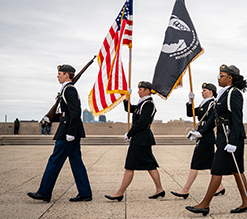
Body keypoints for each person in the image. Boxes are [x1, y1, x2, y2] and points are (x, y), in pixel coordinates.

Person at [185, 64, 247, 216]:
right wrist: (200, 133)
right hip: (223, 135)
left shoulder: (234, 94)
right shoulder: (222, 94)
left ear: (230, 78)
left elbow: (237, 118)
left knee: (216, 170)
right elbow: (214, 119)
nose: (218, 78)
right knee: (237, 171)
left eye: (221, 76)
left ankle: (204, 204)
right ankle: (246, 202)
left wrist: (234, 142)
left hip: (230, 137)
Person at [27, 64, 92, 202]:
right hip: (70, 130)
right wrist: (50, 117)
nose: (58, 76)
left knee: (54, 161)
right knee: (76, 163)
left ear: (67, 75)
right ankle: (85, 192)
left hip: (68, 132)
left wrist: (71, 132)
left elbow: (76, 113)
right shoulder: (67, 90)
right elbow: (66, 113)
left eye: (60, 73)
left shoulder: (69, 90)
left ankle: (44, 192)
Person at [105, 81, 165, 202]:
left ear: (148, 90)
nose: (138, 91)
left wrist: (130, 133)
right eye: (138, 89)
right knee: (150, 164)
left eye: (141, 89)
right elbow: (130, 110)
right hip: (141, 138)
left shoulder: (148, 104)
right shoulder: (141, 103)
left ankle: (119, 192)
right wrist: (126, 99)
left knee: (130, 165)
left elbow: (142, 122)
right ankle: (159, 189)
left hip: (141, 138)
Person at [170, 83, 225, 199]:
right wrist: (190, 102)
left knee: (195, 163)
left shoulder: (213, 104)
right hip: (203, 136)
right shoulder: (203, 104)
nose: (202, 92)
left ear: (211, 92)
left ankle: (185, 190)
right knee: (210, 164)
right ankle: (220, 187)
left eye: (204, 90)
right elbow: (191, 113)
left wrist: (201, 133)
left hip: (206, 137)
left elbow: (212, 121)